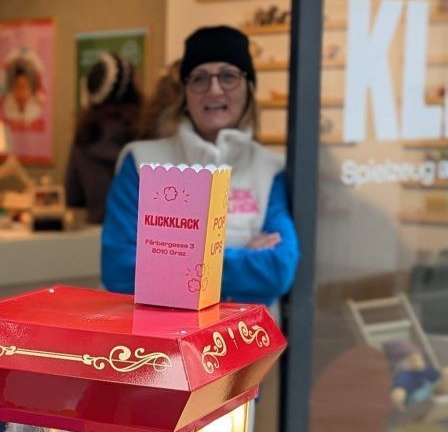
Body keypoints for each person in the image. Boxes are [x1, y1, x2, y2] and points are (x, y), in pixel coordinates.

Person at [100, 26, 299, 305]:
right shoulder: (142, 163)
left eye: (228, 76)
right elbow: (120, 270)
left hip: (248, 344)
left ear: (249, 88)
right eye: (199, 78)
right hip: (163, 344)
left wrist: (167, 263)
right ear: (185, 92)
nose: (214, 90)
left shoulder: (270, 169)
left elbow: (278, 270)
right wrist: (244, 256)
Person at [65, 52, 141, 224]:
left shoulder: (84, 137)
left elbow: (73, 195)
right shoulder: (146, 136)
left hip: (97, 238)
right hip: (141, 240)